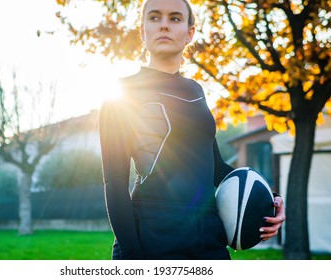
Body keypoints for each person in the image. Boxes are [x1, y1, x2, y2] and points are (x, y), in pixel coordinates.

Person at [99, 0, 285, 260]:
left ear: (189, 33)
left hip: (209, 240)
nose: (164, 24)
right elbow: (115, 182)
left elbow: (217, 168)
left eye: (175, 18)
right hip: (151, 239)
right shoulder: (121, 94)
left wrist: (270, 201)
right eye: (154, 18)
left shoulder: (196, 92)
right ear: (142, 31)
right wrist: (132, 257)